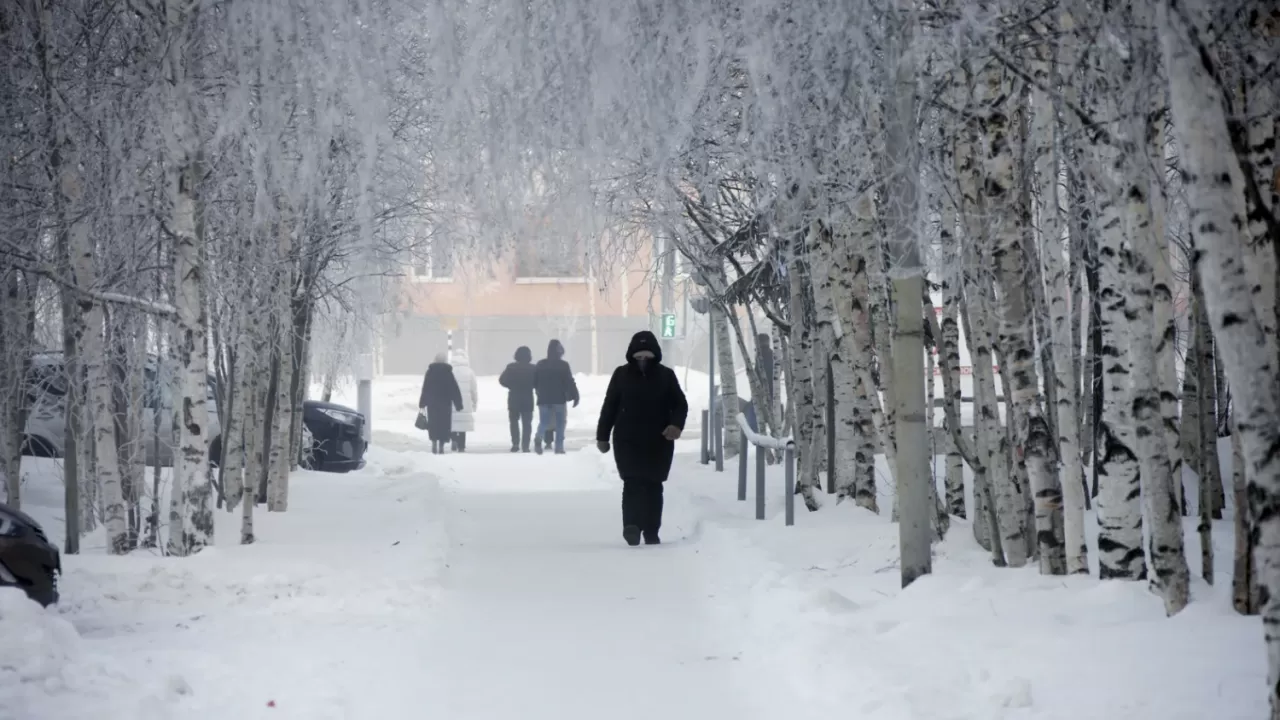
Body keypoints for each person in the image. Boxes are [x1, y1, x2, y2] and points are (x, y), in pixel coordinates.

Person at [596, 330, 688, 546]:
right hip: (627, 440)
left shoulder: (666, 376)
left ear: (655, 355)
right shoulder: (621, 375)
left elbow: (680, 404)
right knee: (632, 483)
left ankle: (651, 530)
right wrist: (602, 436)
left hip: (659, 441)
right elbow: (609, 406)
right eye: (638, 357)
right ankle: (632, 526)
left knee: (654, 486)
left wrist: (675, 425)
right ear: (632, 356)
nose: (643, 361)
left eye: (647, 357)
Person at [533, 339, 579, 455]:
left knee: (544, 421)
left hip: (543, 399)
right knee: (560, 424)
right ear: (560, 351)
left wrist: (538, 392)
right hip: (559, 399)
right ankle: (559, 447)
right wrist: (575, 395)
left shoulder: (540, 364)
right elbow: (569, 381)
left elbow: (535, 381)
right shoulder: (563, 365)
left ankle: (539, 437)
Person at [419, 353, 463, 454]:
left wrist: (422, 402)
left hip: (432, 403)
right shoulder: (448, 372)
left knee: (434, 423)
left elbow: (425, 388)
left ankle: (434, 442)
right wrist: (458, 403)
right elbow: (454, 389)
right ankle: (441, 445)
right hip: (445, 403)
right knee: (444, 424)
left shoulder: (430, 372)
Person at [499, 346, 537, 452]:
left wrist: (511, 385)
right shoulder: (533, 368)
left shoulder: (511, 367)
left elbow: (502, 380)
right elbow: (537, 382)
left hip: (514, 397)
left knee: (514, 422)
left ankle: (515, 444)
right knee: (527, 423)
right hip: (528, 398)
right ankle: (525, 445)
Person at [450, 349, 479, 452]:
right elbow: (473, 389)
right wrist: (475, 402)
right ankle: (461, 445)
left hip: (452, 401)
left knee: (453, 422)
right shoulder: (469, 372)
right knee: (463, 423)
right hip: (465, 401)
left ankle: (453, 439)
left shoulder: (450, 371)